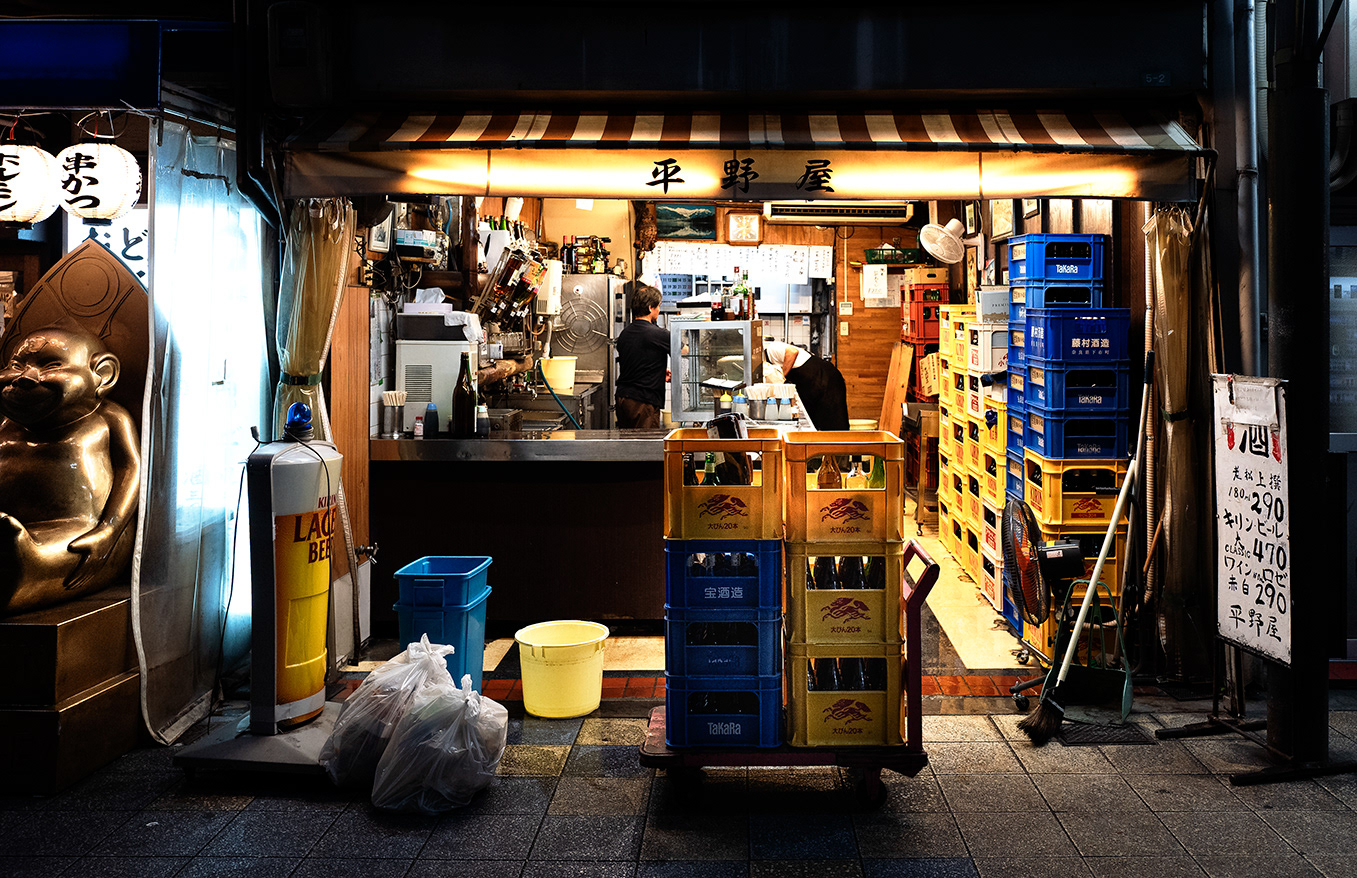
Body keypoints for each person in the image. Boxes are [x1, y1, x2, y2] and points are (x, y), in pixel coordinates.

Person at [614, 284, 670, 429]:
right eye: (658, 306)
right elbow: (684, 350)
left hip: (623, 399)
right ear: (651, 307)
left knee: (628, 445)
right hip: (643, 401)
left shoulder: (625, 334)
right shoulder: (658, 334)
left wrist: (658, 372)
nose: (659, 310)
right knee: (645, 447)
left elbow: (637, 362)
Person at [764, 340, 850, 431]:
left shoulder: (771, 348)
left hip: (824, 377)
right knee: (818, 420)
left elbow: (792, 352)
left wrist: (782, 376)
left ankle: (840, 444)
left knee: (833, 418)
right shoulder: (767, 359)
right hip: (812, 382)